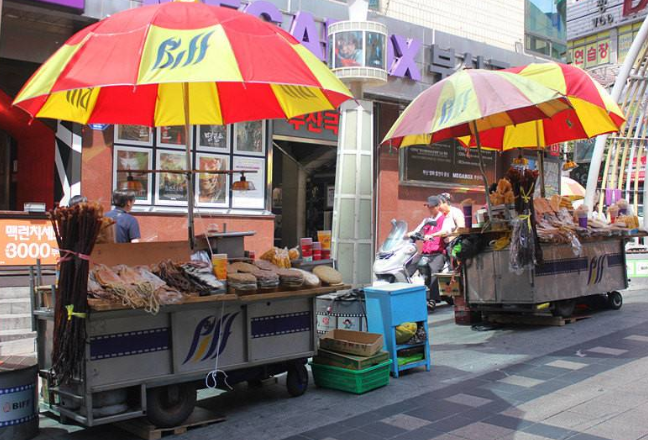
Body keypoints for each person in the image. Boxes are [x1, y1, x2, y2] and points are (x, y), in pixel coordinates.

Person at [408, 195, 446, 307]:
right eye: (428, 207)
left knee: (434, 273)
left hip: (438, 252)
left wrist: (433, 235)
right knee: (409, 265)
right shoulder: (427, 220)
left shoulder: (443, 219)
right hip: (426, 251)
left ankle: (432, 300)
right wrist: (409, 234)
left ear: (438, 206)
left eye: (432, 207)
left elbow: (446, 230)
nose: (430, 209)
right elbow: (417, 230)